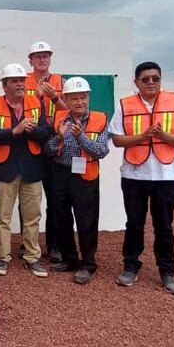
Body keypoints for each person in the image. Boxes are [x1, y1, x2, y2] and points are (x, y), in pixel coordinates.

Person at [108, 62, 174, 294]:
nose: (150, 83)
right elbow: (117, 139)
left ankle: (167, 271)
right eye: (145, 79)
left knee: (164, 226)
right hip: (134, 174)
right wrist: (141, 136)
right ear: (136, 82)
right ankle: (130, 266)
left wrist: (164, 135)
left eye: (155, 78)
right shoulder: (125, 104)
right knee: (134, 224)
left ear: (160, 80)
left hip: (166, 175)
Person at [0, 64, 51, 277]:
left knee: (32, 216)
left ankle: (32, 257)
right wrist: (15, 131)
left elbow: (46, 132)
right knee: (3, 217)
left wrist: (31, 131)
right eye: (14, 80)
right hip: (5, 168)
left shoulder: (36, 102)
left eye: (22, 80)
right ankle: (3, 258)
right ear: (5, 85)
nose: (20, 84)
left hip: (32, 167)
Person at [46, 76, 109, 283]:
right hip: (61, 173)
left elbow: (101, 151)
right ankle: (69, 259)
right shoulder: (59, 118)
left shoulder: (100, 119)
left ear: (88, 97)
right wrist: (59, 137)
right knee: (61, 218)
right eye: (74, 98)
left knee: (86, 221)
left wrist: (81, 137)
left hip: (85, 175)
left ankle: (88, 264)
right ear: (66, 99)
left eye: (83, 97)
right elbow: (49, 150)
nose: (80, 102)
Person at [24, 41, 64, 262]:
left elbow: (69, 109)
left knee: (55, 197)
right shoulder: (24, 80)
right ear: (30, 60)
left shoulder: (59, 81)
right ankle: (27, 243)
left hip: (54, 139)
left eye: (45, 55)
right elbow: (19, 108)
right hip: (31, 139)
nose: (42, 59)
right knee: (27, 197)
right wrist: (37, 97)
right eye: (37, 56)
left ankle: (54, 245)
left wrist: (55, 97)